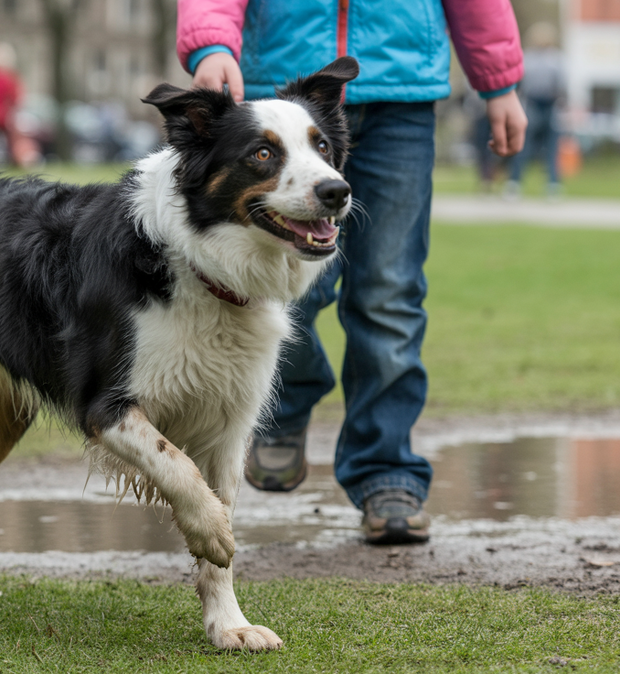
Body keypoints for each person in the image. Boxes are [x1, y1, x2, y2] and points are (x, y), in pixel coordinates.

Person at [178, 0, 527, 544]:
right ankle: (282, 407)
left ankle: (387, 472)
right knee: (278, 292)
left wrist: (499, 81)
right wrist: (212, 43)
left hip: (401, 93)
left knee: (389, 293)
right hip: (280, 85)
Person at [505, 22, 565, 200]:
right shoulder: (557, 60)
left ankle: (514, 183)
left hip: (531, 105)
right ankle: (552, 185)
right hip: (549, 105)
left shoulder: (526, 59)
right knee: (551, 148)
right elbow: (562, 86)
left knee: (524, 146)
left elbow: (519, 84)